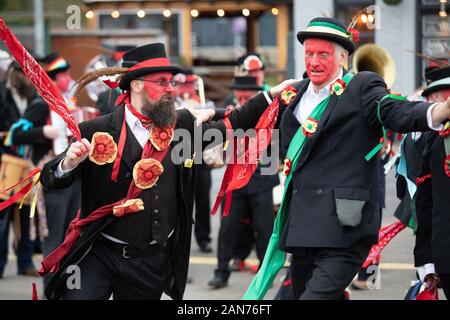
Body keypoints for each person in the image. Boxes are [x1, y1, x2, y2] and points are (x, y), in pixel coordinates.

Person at [38, 43, 293, 300]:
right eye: (161, 82)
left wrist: (271, 95)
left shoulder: (180, 126)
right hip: (98, 253)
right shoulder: (94, 130)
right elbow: (49, 179)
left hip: (150, 260)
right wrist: (68, 163)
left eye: (171, 81)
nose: (171, 89)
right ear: (136, 84)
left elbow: (234, 122)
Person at [243, 17, 450, 300]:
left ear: (343, 56)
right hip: (302, 230)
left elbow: (396, 111)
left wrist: (440, 111)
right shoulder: (294, 95)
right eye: (309, 54)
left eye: (323, 54)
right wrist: (214, 133)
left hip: (344, 231)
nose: (314, 62)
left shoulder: (362, 86)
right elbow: (259, 130)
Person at [9, 52, 81, 286]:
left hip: (73, 173)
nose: (68, 79)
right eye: (64, 75)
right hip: (52, 175)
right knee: (54, 232)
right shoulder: (41, 104)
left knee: (72, 231)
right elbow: (14, 135)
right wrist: (42, 133)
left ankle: (67, 282)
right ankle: (52, 284)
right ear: (53, 79)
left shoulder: (68, 102)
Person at [208, 76, 279, 288]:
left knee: (265, 229)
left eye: (247, 92)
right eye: (240, 91)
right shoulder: (230, 111)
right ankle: (221, 272)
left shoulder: (270, 110)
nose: (243, 95)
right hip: (235, 180)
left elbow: (277, 140)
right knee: (228, 228)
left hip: (262, 178)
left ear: (256, 93)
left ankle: (265, 273)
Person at [414, 64, 450, 299]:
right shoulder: (434, 141)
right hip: (446, 254)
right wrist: (426, 260)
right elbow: (426, 204)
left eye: (434, 99)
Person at [0, 60, 39, 278]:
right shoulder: (2, 95)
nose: (28, 78)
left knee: (26, 214)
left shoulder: (34, 97)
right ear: (14, 74)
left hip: (28, 162)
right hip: (5, 163)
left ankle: (25, 262)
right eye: (24, 74)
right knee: (3, 215)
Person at [174, 68, 214, 253]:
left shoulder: (206, 103)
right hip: (178, 159)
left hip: (200, 158)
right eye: (182, 85)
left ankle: (203, 238)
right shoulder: (171, 104)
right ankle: (179, 238)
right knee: (178, 201)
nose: (185, 88)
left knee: (203, 200)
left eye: (188, 84)